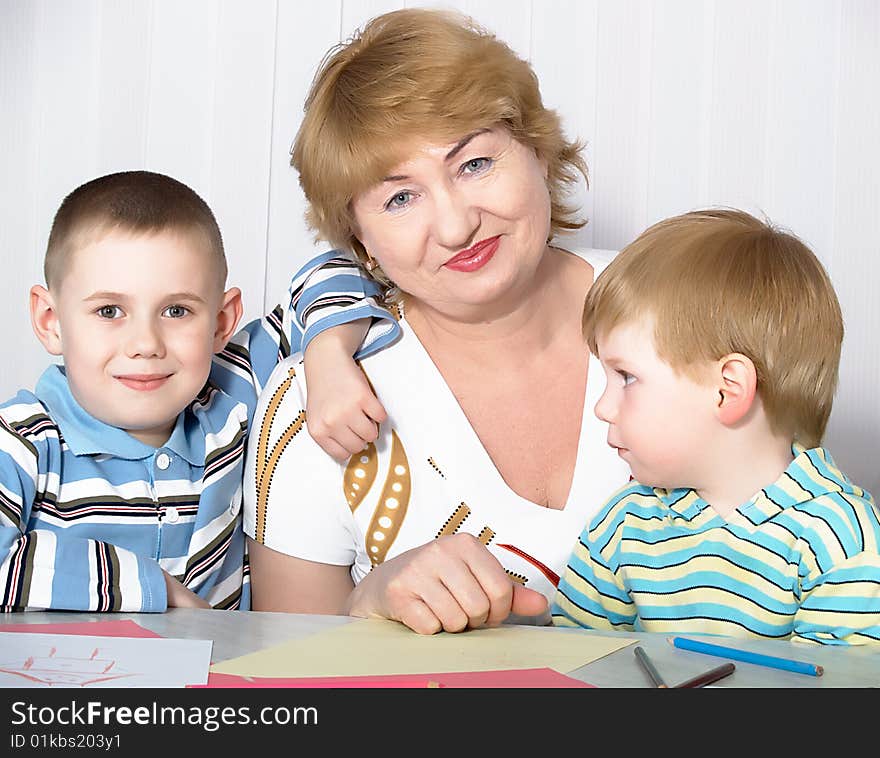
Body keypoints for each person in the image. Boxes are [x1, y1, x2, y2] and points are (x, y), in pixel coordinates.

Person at [243, 8, 631, 635]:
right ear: (359, 243)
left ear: (536, 148)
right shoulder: (314, 406)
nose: (455, 225)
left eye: (474, 164)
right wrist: (368, 603)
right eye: (400, 197)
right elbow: (287, 672)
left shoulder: (686, 310)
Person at [0, 170, 400, 613]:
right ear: (50, 321)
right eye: (109, 310)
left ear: (221, 323)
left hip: (224, 677)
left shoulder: (233, 391)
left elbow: (346, 269)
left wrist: (329, 356)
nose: (146, 345)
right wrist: (154, 588)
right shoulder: (22, 440)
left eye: (176, 310)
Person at [551, 209, 880, 645]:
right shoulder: (625, 524)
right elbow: (569, 660)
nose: (602, 407)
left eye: (626, 378)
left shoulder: (838, 538)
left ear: (727, 390)